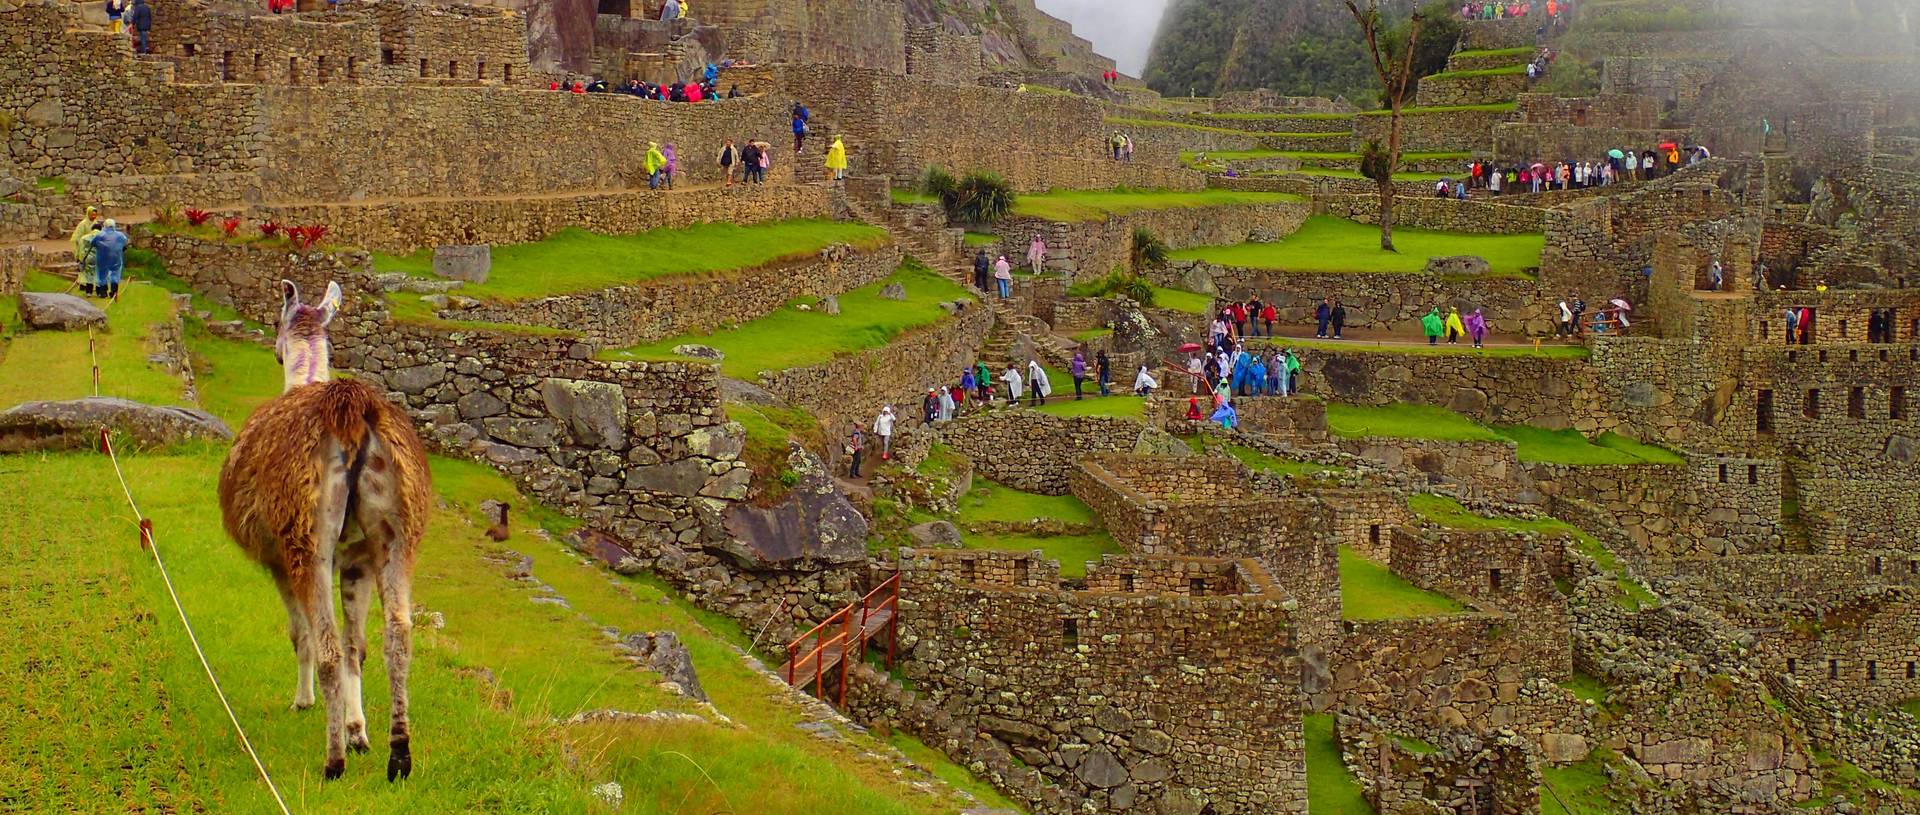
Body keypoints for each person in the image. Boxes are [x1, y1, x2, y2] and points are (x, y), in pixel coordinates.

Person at [90, 220, 130, 300]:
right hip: (116, 257)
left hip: (102, 257)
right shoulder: (120, 235)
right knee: (115, 272)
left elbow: (92, 243)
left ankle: (103, 292)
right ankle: (114, 291)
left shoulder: (100, 234)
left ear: (105, 225)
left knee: (102, 273)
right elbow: (126, 243)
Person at [71, 206, 101, 296]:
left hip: (93, 249)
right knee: (85, 268)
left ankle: (91, 288)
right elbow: (77, 237)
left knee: (92, 269)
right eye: (92, 214)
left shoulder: (96, 224)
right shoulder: (83, 224)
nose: (94, 216)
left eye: (95, 214)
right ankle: (83, 285)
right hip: (85, 247)